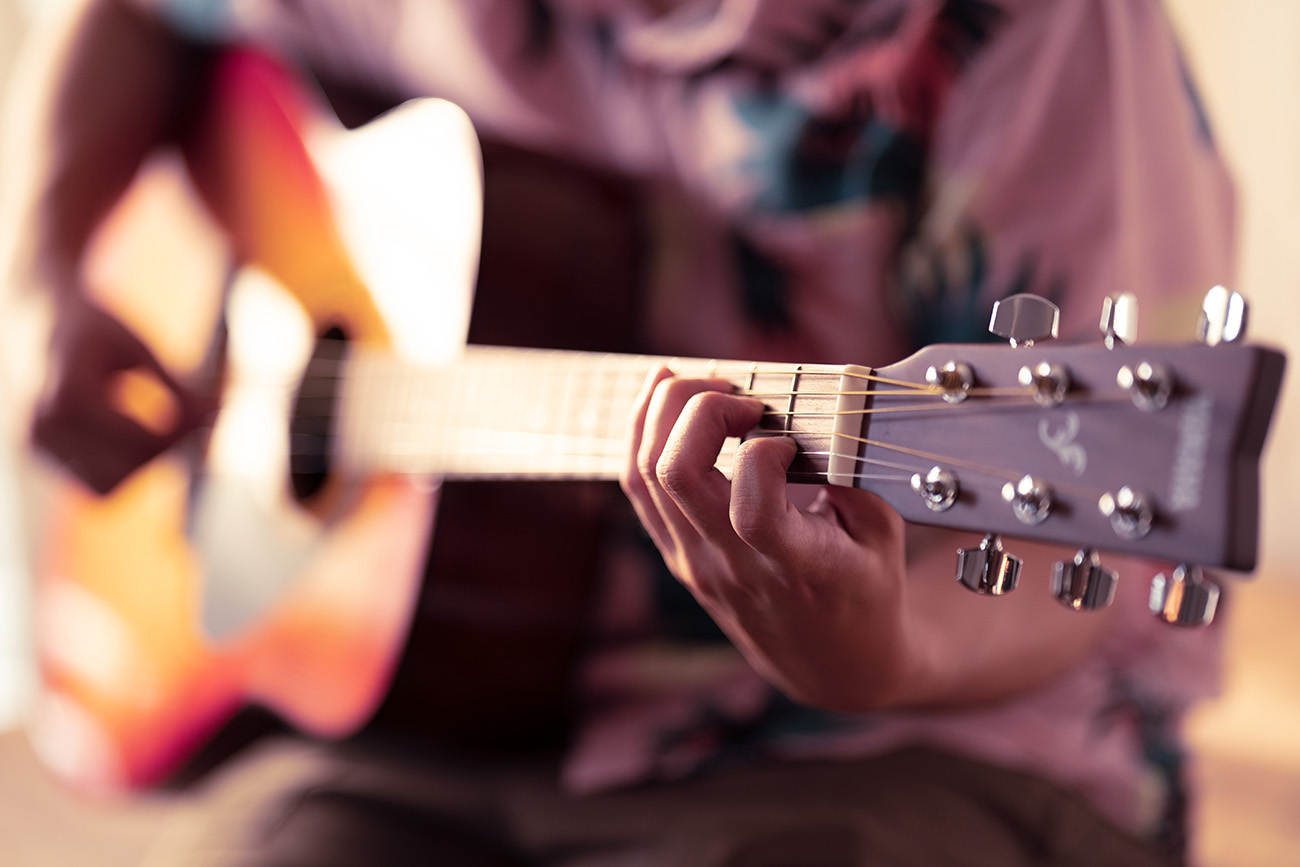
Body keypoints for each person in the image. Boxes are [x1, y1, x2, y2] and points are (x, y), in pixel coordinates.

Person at [0, 0, 1237, 864]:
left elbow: (1092, 562)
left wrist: (881, 652)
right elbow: (134, 13)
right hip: (431, 712)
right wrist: (46, 283)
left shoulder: (1028, 25)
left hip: (916, 748)